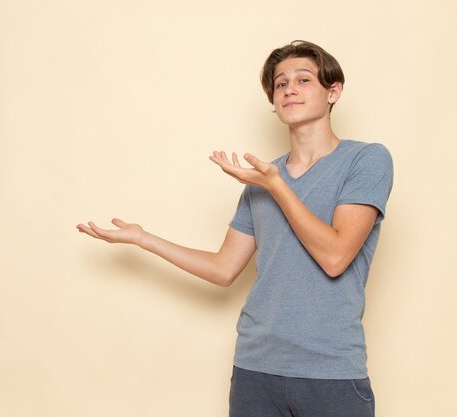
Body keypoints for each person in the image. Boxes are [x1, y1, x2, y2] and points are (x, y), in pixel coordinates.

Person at [77, 40, 393, 417]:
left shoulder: (366, 160)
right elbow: (224, 269)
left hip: (329, 371)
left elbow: (335, 257)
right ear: (274, 103)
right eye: (280, 84)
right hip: (255, 367)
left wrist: (277, 185)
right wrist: (144, 238)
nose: (290, 88)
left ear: (333, 91)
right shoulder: (259, 180)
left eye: (304, 80)